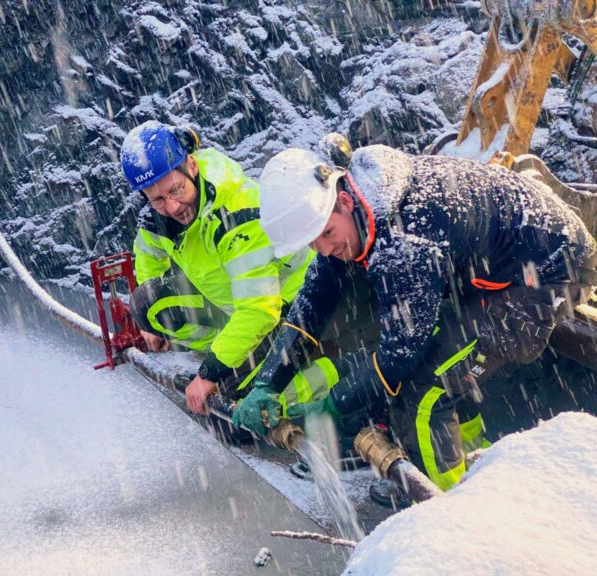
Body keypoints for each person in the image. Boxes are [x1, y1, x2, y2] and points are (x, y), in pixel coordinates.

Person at [233, 136, 597, 490]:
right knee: (446, 359)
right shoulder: (359, 204)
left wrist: (332, 407)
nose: (325, 249)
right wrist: (268, 382)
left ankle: (442, 517)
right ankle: (471, 466)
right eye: (313, 243)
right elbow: (312, 303)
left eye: (326, 234)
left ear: (343, 201)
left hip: (551, 273)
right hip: (492, 269)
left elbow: (397, 357)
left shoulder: (407, 240)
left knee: (425, 392)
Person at [120, 121, 315, 415]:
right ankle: (238, 352)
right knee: (147, 305)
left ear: (192, 166)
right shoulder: (158, 218)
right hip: (232, 304)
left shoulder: (238, 217)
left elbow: (259, 310)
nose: (172, 207)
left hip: (286, 309)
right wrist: (151, 329)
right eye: (158, 199)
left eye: (176, 190)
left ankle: (320, 374)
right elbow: (148, 253)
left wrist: (210, 373)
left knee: (235, 411)